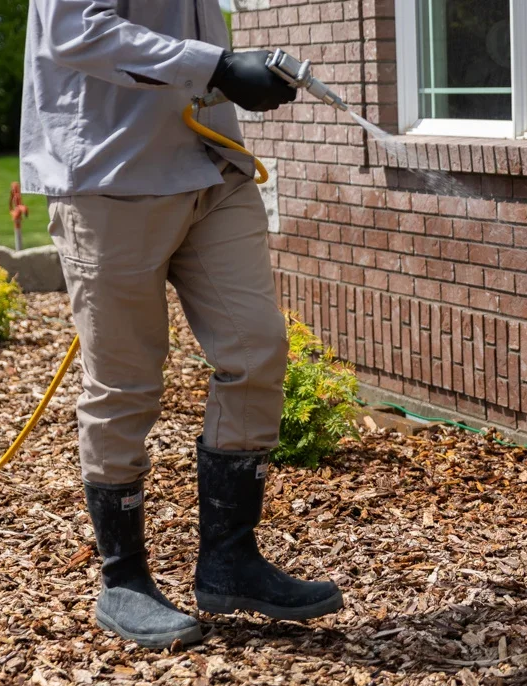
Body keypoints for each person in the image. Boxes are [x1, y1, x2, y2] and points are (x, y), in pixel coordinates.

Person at [21, 0, 343, 649]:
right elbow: (73, 28)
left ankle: (230, 561)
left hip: (211, 169)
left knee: (257, 349)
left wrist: (235, 72)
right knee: (125, 383)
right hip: (110, 177)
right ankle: (125, 581)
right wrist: (218, 66)